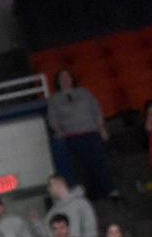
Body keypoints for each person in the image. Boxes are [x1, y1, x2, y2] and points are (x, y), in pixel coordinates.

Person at [47, 68, 116, 199]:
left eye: (68, 77)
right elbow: (53, 119)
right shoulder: (54, 99)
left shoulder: (84, 92)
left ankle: (109, 190)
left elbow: (97, 109)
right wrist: (60, 131)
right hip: (72, 135)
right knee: (82, 166)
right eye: (62, 78)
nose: (65, 80)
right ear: (58, 81)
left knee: (100, 162)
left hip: (91, 131)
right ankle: (91, 194)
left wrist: (101, 127)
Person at [30, 174, 99, 237]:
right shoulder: (52, 212)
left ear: (59, 183)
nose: (48, 189)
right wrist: (36, 223)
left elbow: (91, 230)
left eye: (50, 185)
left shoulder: (81, 203)